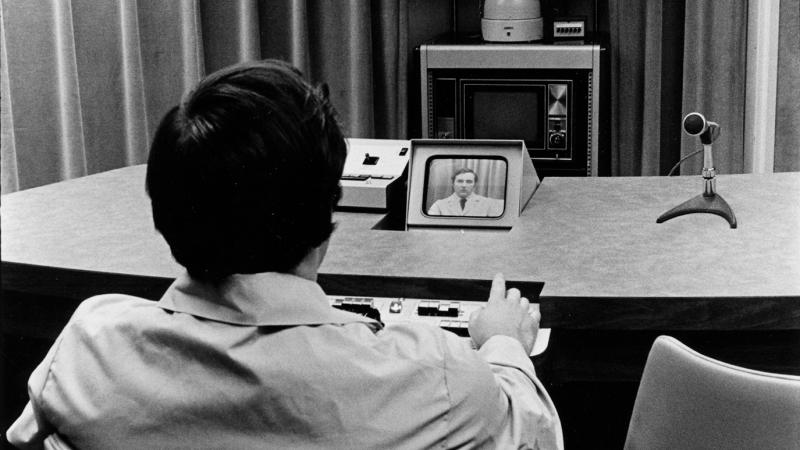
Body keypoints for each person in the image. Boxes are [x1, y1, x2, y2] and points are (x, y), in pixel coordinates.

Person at [6, 60, 562, 449]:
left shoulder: (89, 346)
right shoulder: (435, 375)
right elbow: (531, 433)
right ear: (326, 218)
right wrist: (506, 343)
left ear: (165, 215)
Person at [428, 167, 504, 217]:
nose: (464, 185)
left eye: (469, 182)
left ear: (474, 185)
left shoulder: (488, 204)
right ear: (453, 184)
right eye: (460, 181)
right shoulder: (439, 205)